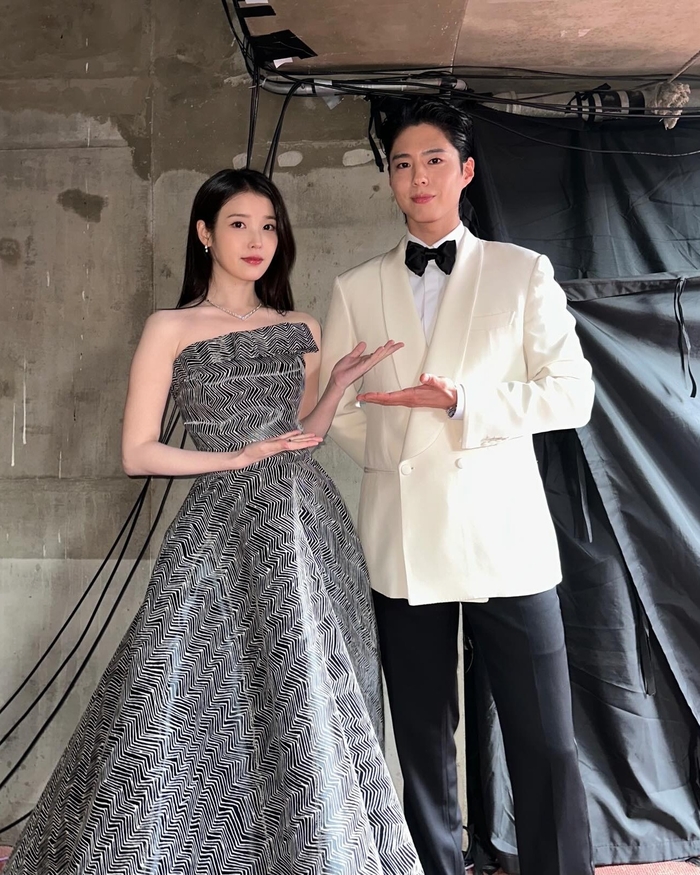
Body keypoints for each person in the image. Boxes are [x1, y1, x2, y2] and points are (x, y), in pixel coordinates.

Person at [5, 169, 422, 875]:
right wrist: (235, 457)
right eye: (238, 224)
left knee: (306, 687)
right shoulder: (170, 327)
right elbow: (138, 451)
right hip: (220, 526)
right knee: (184, 688)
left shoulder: (302, 327)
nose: (257, 240)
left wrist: (337, 386)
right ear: (204, 233)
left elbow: (303, 435)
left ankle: (313, 850)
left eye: (269, 226)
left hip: (305, 526)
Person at [319, 99, 596, 875]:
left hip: (504, 535)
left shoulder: (521, 271)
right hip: (404, 538)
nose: (419, 177)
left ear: (466, 170)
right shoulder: (355, 287)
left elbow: (571, 393)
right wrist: (404, 448)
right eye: (403, 164)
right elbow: (338, 409)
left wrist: (464, 404)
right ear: (389, 179)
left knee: (545, 740)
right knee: (420, 742)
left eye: (435, 160)